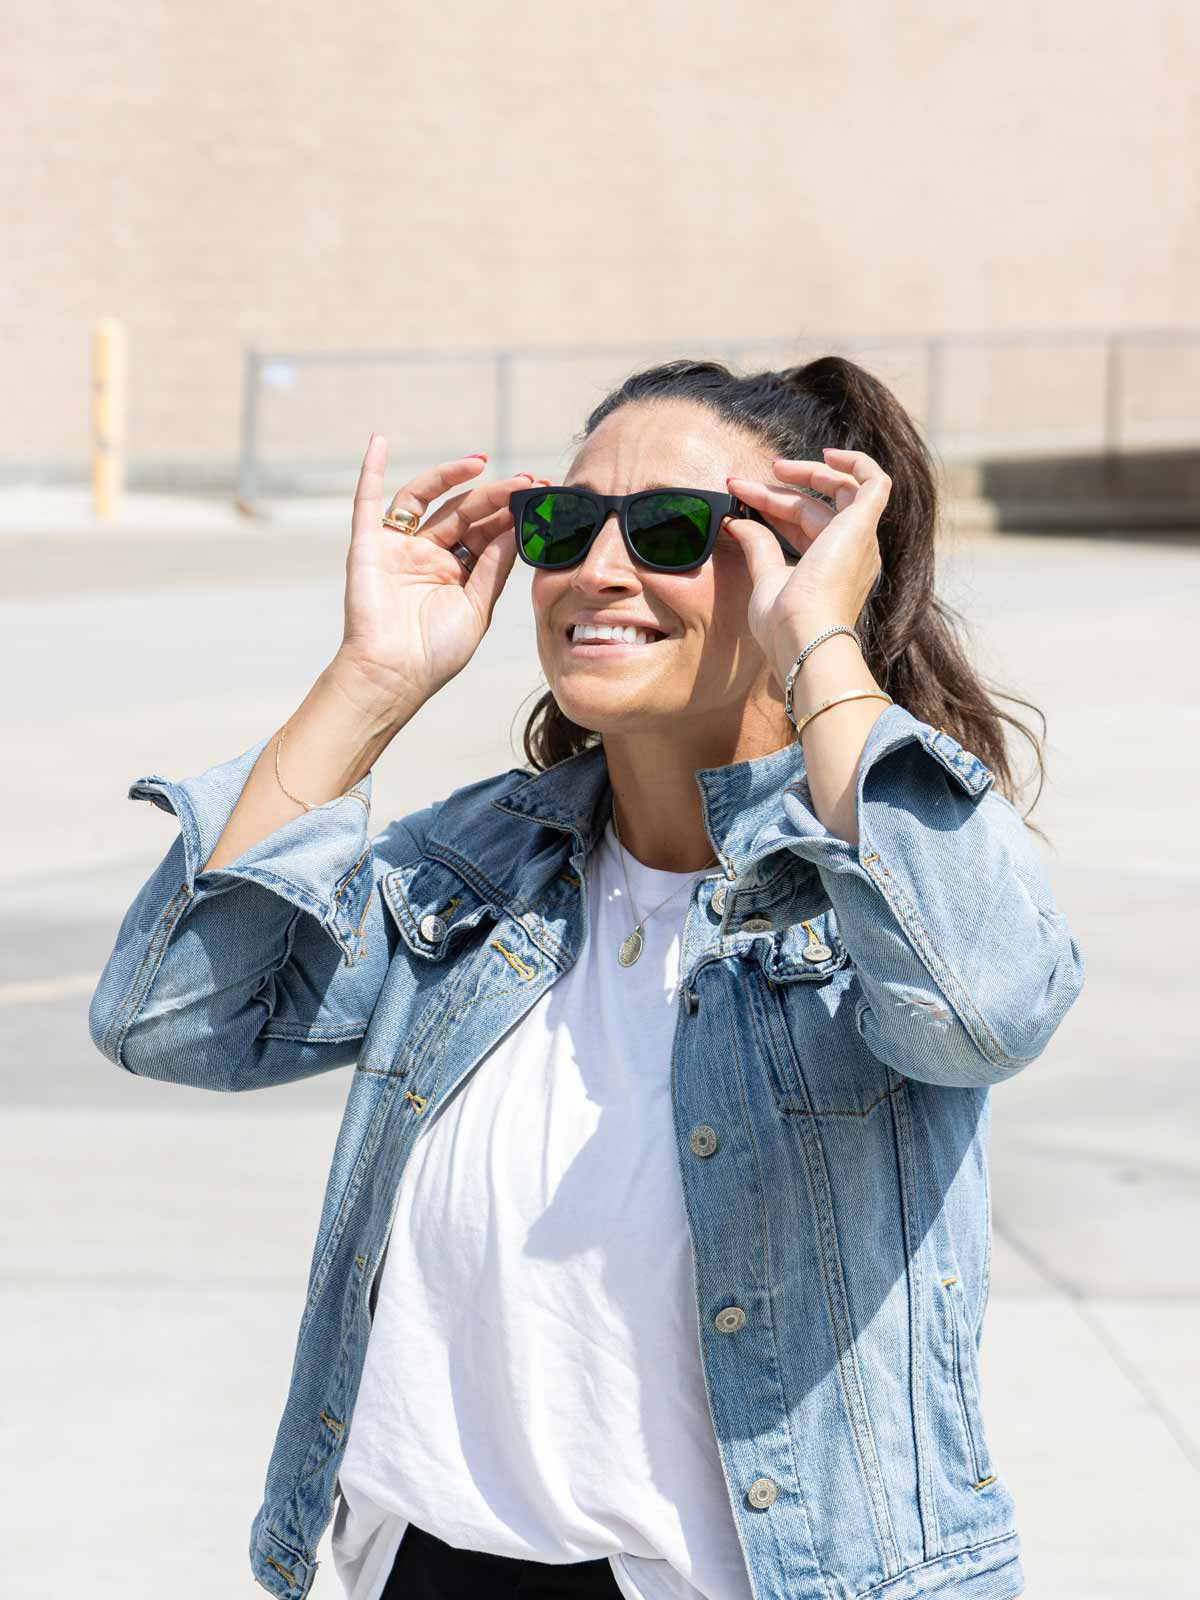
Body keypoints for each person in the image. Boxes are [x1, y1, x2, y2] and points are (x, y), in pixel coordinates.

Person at [89, 356, 1086, 1600]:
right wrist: (370, 681)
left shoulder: (869, 886)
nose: (600, 570)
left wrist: (825, 641)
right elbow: (171, 1018)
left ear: (799, 558)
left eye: (671, 529)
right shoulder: (474, 868)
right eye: (568, 523)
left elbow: (990, 1006)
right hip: (423, 1567)